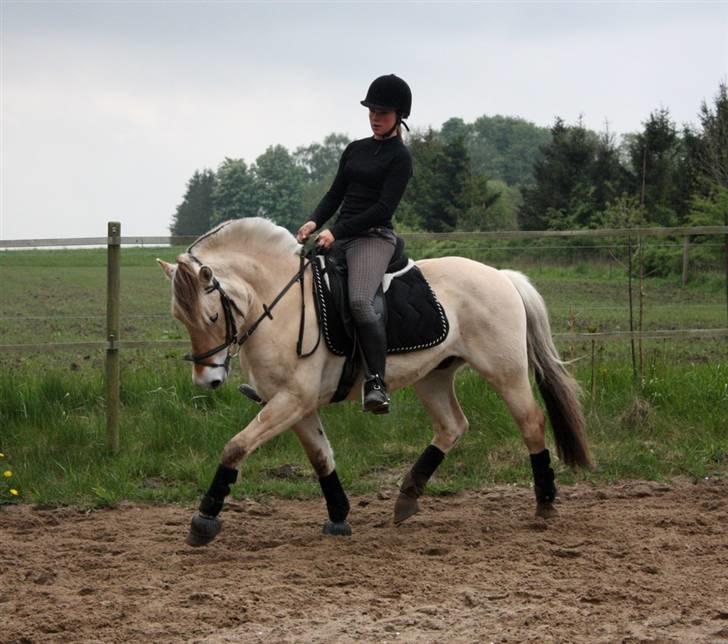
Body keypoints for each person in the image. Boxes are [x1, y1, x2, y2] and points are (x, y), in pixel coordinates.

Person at [296, 74, 413, 414]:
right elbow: (335, 194)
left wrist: (337, 231)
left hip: (373, 238)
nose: (376, 117)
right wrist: (315, 221)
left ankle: (376, 381)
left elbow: (382, 209)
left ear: (399, 116)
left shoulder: (400, 158)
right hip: (341, 234)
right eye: (372, 111)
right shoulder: (355, 149)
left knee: (361, 301)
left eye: (384, 113)